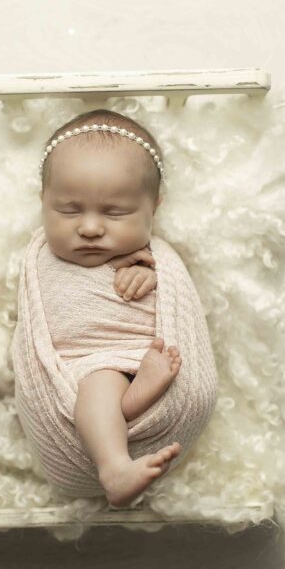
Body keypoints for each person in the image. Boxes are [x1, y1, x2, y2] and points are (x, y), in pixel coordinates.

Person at [36, 109, 185, 507]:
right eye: (68, 210)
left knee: (103, 376)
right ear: (43, 202)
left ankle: (120, 447)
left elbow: (175, 300)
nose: (89, 228)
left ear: (154, 207)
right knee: (98, 378)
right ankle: (119, 444)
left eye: (115, 212)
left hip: (134, 351)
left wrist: (151, 277)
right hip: (77, 364)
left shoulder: (149, 257)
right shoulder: (37, 256)